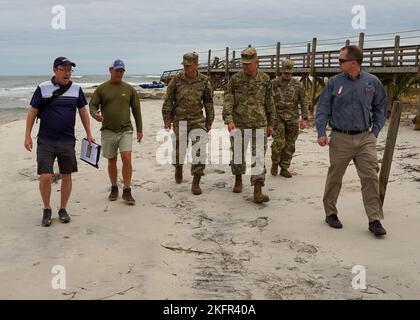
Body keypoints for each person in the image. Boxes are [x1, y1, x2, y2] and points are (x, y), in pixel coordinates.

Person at [316, 45, 388, 236]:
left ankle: (374, 219)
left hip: (365, 138)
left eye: (341, 60)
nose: (338, 63)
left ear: (354, 62)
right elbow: (323, 108)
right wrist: (321, 132)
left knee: (370, 177)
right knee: (335, 177)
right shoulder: (333, 82)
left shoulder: (372, 82)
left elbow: (381, 106)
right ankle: (330, 213)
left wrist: (375, 131)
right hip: (340, 138)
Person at [24, 56, 95, 227]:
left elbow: (83, 112)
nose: (67, 73)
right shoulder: (43, 88)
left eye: (70, 70)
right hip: (46, 140)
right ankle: (47, 209)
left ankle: (63, 209)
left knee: (66, 175)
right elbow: (32, 111)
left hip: (67, 140)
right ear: (55, 70)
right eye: (63, 69)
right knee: (46, 176)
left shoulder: (77, 89)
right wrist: (27, 135)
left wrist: (89, 133)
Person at [223, 47, 275, 203]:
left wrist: (271, 123)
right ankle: (238, 179)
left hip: (259, 124)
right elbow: (228, 101)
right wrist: (229, 120)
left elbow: (269, 102)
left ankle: (257, 191)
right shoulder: (235, 80)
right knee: (238, 154)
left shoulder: (265, 79)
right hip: (239, 124)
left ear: (256, 61)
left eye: (248, 63)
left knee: (258, 157)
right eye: (243, 64)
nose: (245, 67)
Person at [89, 59, 143, 205]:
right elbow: (92, 105)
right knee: (112, 160)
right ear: (110, 70)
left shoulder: (129, 89)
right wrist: (96, 115)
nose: (119, 73)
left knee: (126, 157)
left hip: (126, 129)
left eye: (122, 71)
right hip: (108, 130)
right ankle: (114, 187)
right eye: (117, 70)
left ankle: (127, 189)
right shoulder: (101, 89)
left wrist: (140, 129)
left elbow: (136, 110)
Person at [162, 52, 214, 195]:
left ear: (196, 65)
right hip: (180, 120)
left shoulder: (204, 81)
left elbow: (208, 102)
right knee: (179, 150)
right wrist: (167, 118)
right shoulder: (176, 80)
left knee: (199, 150)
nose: (186, 67)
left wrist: (210, 121)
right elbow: (168, 100)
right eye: (184, 65)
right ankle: (178, 168)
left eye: (189, 65)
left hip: (197, 120)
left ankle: (196, 181)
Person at [270, 59, 308, 178]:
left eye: (289, 73)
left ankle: (285, 167)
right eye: (285, 73)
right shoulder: (274, 83)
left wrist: (304, 118)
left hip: (292, 118)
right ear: (281, 72)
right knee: (278, 143)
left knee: (290, 144)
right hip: (278, 118)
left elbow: (303, 101)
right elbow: (267, 100)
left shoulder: (298, 85)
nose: (287, 75)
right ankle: (275, 163)